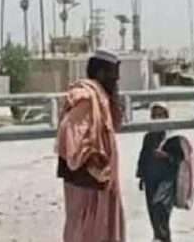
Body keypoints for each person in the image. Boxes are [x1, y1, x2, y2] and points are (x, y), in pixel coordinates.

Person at [55, 49, 125, 242]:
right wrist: (93, 161)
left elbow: (114, 123)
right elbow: (70, 134)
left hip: (101, 179)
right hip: (86, 180)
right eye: (114, 73)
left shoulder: (101, 96)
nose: (117, 78)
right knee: (85, 227)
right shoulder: (86, 97)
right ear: (101, 72)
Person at [137, 103, 186, 242]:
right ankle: (159, 237)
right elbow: (143, 156)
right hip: (150, 179)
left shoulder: (173, 137)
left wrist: (167, 156)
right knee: (153, 210)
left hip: (167, 180)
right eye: (154, 115)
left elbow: (180, 158)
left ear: (166, 116)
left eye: (160, 115)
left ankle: (162, 237)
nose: (157, 119)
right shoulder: (149, 137)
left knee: (161, 207)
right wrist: (141, 176)